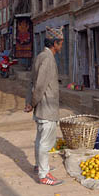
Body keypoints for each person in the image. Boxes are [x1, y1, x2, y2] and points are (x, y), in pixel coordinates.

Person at [24, 26, 65, 186]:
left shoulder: (41, 56)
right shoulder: (47, 59)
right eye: (61, 43)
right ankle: (43, 174)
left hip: (41, 107)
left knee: (40, 139)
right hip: (46, 107)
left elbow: (32, 82)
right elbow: (39, 86)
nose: (61, 47)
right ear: (55, 43)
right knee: (45, 142)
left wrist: (30, 102)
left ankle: (40, 166)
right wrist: (32, 103)